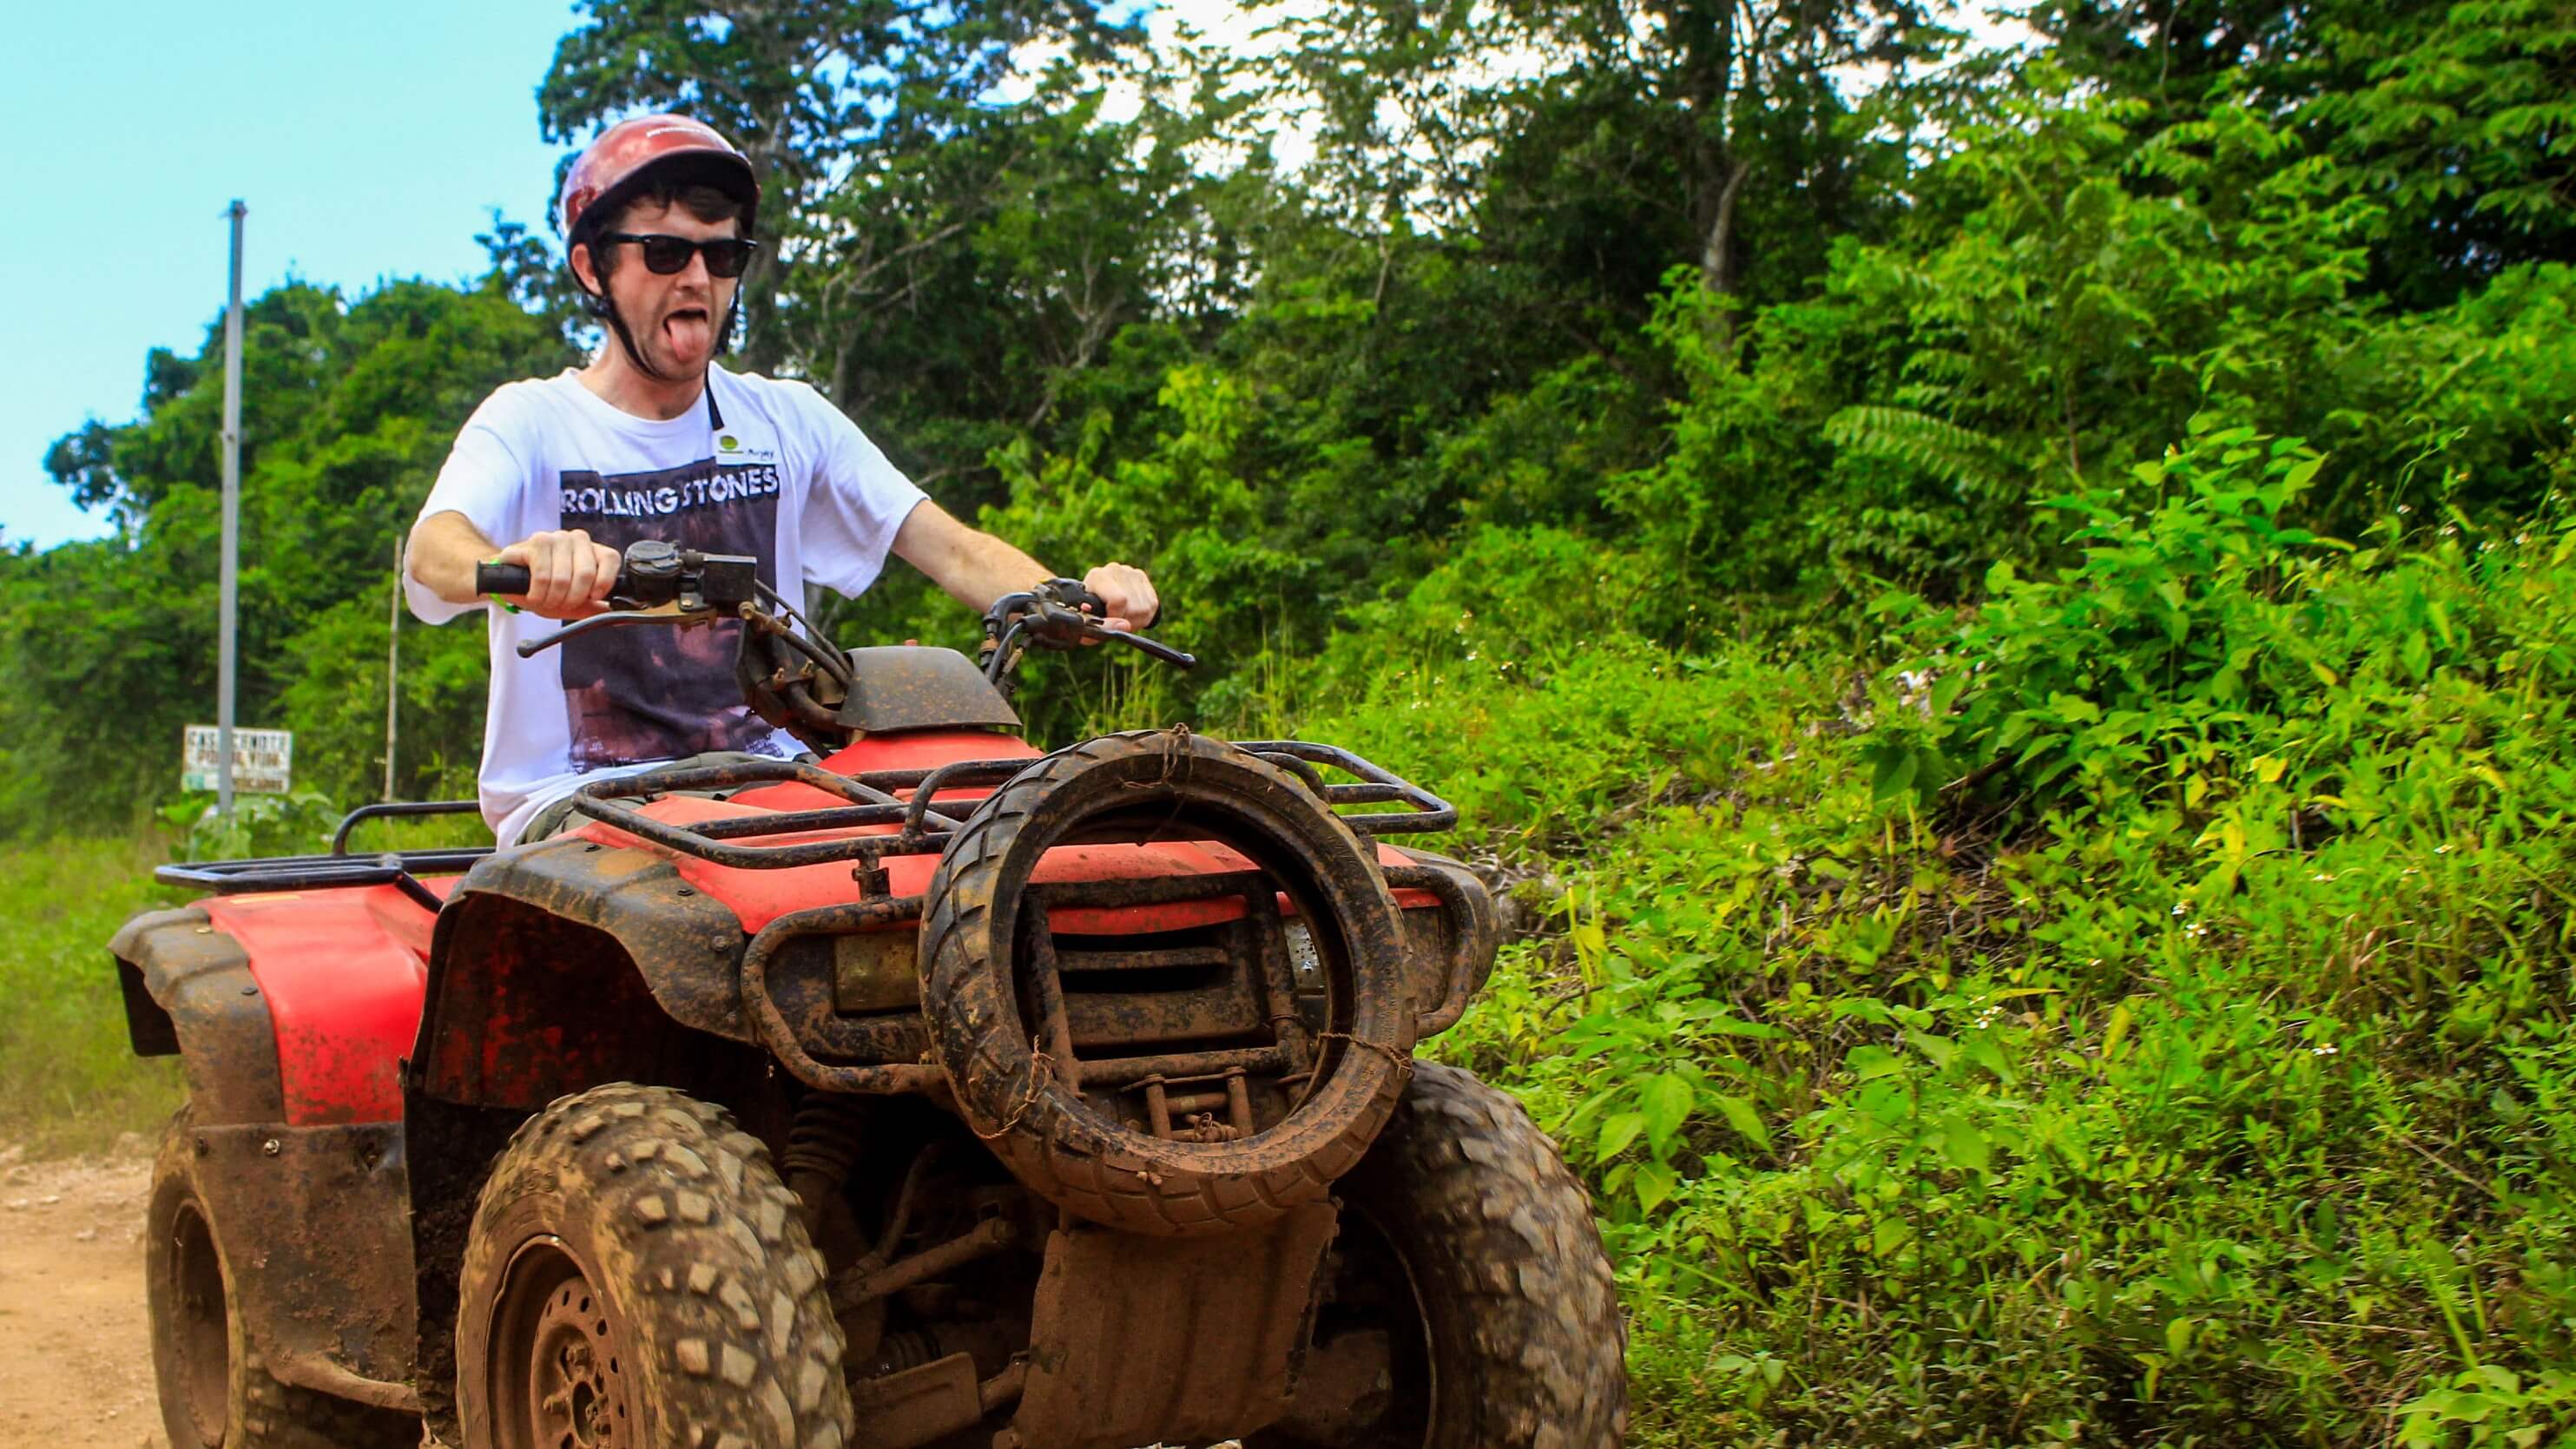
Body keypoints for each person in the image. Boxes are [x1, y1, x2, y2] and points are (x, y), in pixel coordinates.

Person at [405, 114, 1155, 843]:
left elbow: (950, 548)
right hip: (586, 803)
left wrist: (1074, 598)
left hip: (784, 791)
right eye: (665, 253)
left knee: (968, 856)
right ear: (592, 268)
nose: (697, 277)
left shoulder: (786, 417)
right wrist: (524, 562)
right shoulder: (530, 420)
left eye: (721, 256)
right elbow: (433, 553)